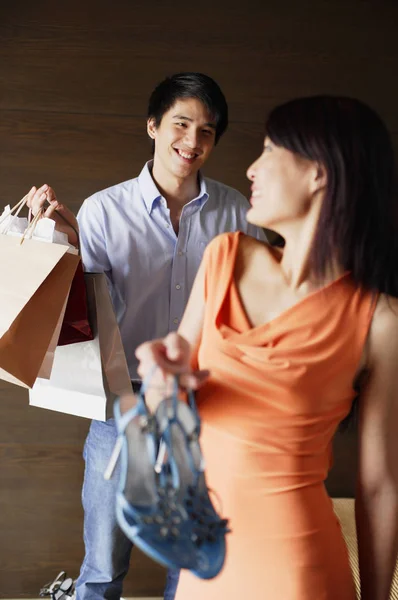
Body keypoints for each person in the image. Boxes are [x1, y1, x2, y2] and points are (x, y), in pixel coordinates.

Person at [135, 95, 398, 600]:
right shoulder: (226, 257)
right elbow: (164, 409)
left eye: (270, 149)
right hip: (206, 560)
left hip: (297, 568)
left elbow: (380, 485)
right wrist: (161, 378)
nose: (251, 168)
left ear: (319, 172)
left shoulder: (379, 321)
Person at [26, 72, 266, 600]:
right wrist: (68, 247)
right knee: (104, 562)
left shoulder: (240, 215)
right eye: (181, 124)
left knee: (196, 563)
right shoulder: (102, 211)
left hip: (210, 403)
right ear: (154, 125)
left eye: (207, 131)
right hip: (123, 403)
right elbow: (88, 317)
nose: (193, 142)